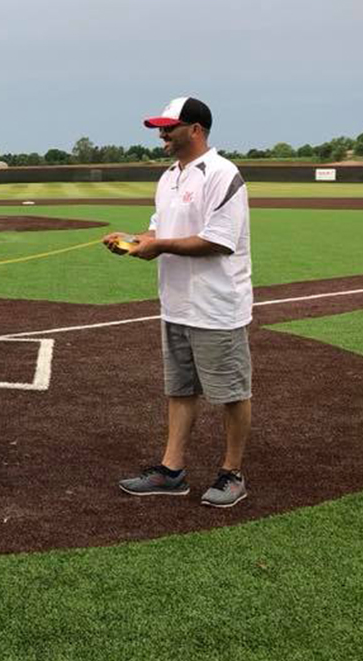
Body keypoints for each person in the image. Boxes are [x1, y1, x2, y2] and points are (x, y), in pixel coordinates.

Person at [105, 96, 253, 508]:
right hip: (176, 304)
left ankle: (232, 472)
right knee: (181, 390)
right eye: (159, 126)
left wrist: (157, 246)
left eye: (169, 127)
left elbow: (218, 242)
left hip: (217, 306)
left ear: (196, 130)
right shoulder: (169, 176)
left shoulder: (223, 174)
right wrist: (132, 243)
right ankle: (172, 471)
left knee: (230, 393)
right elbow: (157, 233)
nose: (161, 133)